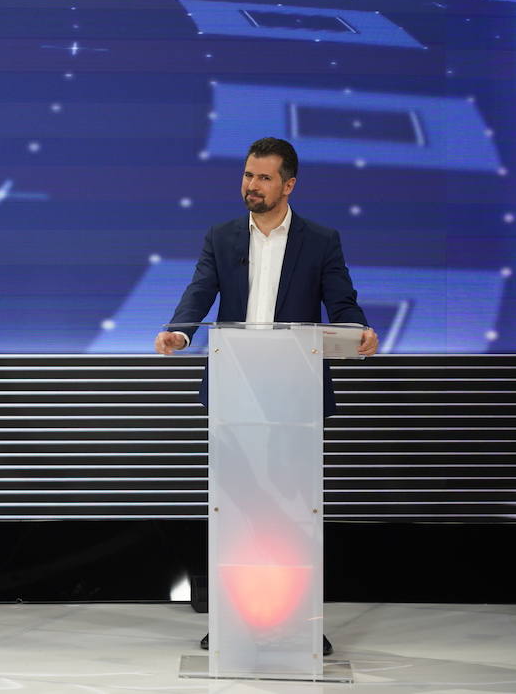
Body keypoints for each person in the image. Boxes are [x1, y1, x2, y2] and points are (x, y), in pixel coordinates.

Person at [155, 135, 377, 655]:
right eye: (247, 175)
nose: (250, 186)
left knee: (291, 511)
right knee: (239, 510)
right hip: (235, 393)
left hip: (294, 398)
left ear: (288, 184)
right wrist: (181, 332)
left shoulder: (320, 240)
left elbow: (342, 302)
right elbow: (199, 292)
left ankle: (299, 618)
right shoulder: (223, 236)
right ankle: (235, 618)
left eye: (263, 177)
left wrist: (359, 331)